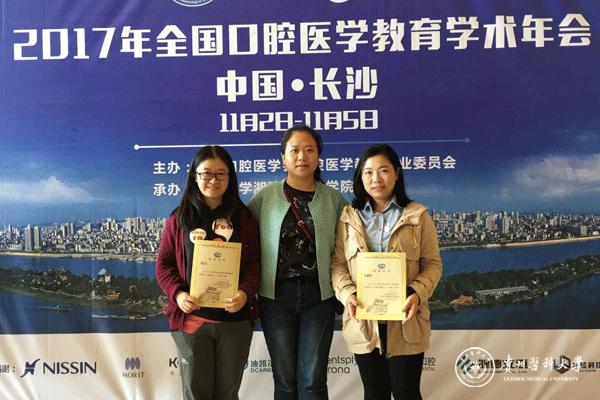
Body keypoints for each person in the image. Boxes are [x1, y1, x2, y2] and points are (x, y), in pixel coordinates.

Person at [331, 144, 442, 400]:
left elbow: (433, 265)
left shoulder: (418, 215)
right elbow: (337, 265)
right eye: (368, 172)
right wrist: (348, 294)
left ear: (397, 173)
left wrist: (416, 293)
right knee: (374, 393)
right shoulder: (348, 217)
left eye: (383, 170)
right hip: (363, 320)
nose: (376, 178)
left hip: (406, 319)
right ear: (360, 177)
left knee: (406, 393)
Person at [249, 125, 346, 400]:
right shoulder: (265, 197)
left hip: (319, 297)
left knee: (312, 380)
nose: (302, 156)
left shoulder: (334, 200)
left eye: (309, 150)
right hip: (275, 297)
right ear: (283, 157)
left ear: (318, 156)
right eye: (294, 150)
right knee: (285, 381)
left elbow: (346, 250)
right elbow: (244, 242)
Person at [156, 146, 260, 400]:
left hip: (233, 322)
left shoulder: (244, 218)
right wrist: (178, 294)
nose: (213, 180)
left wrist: (245, 293)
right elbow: (164, 265)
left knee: (227, 394)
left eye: (221, 173)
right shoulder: (179, 219)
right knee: (196, 393)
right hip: (192, 319)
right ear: (195, 176)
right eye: (206, 173)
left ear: (230, 177)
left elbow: (255, 264)